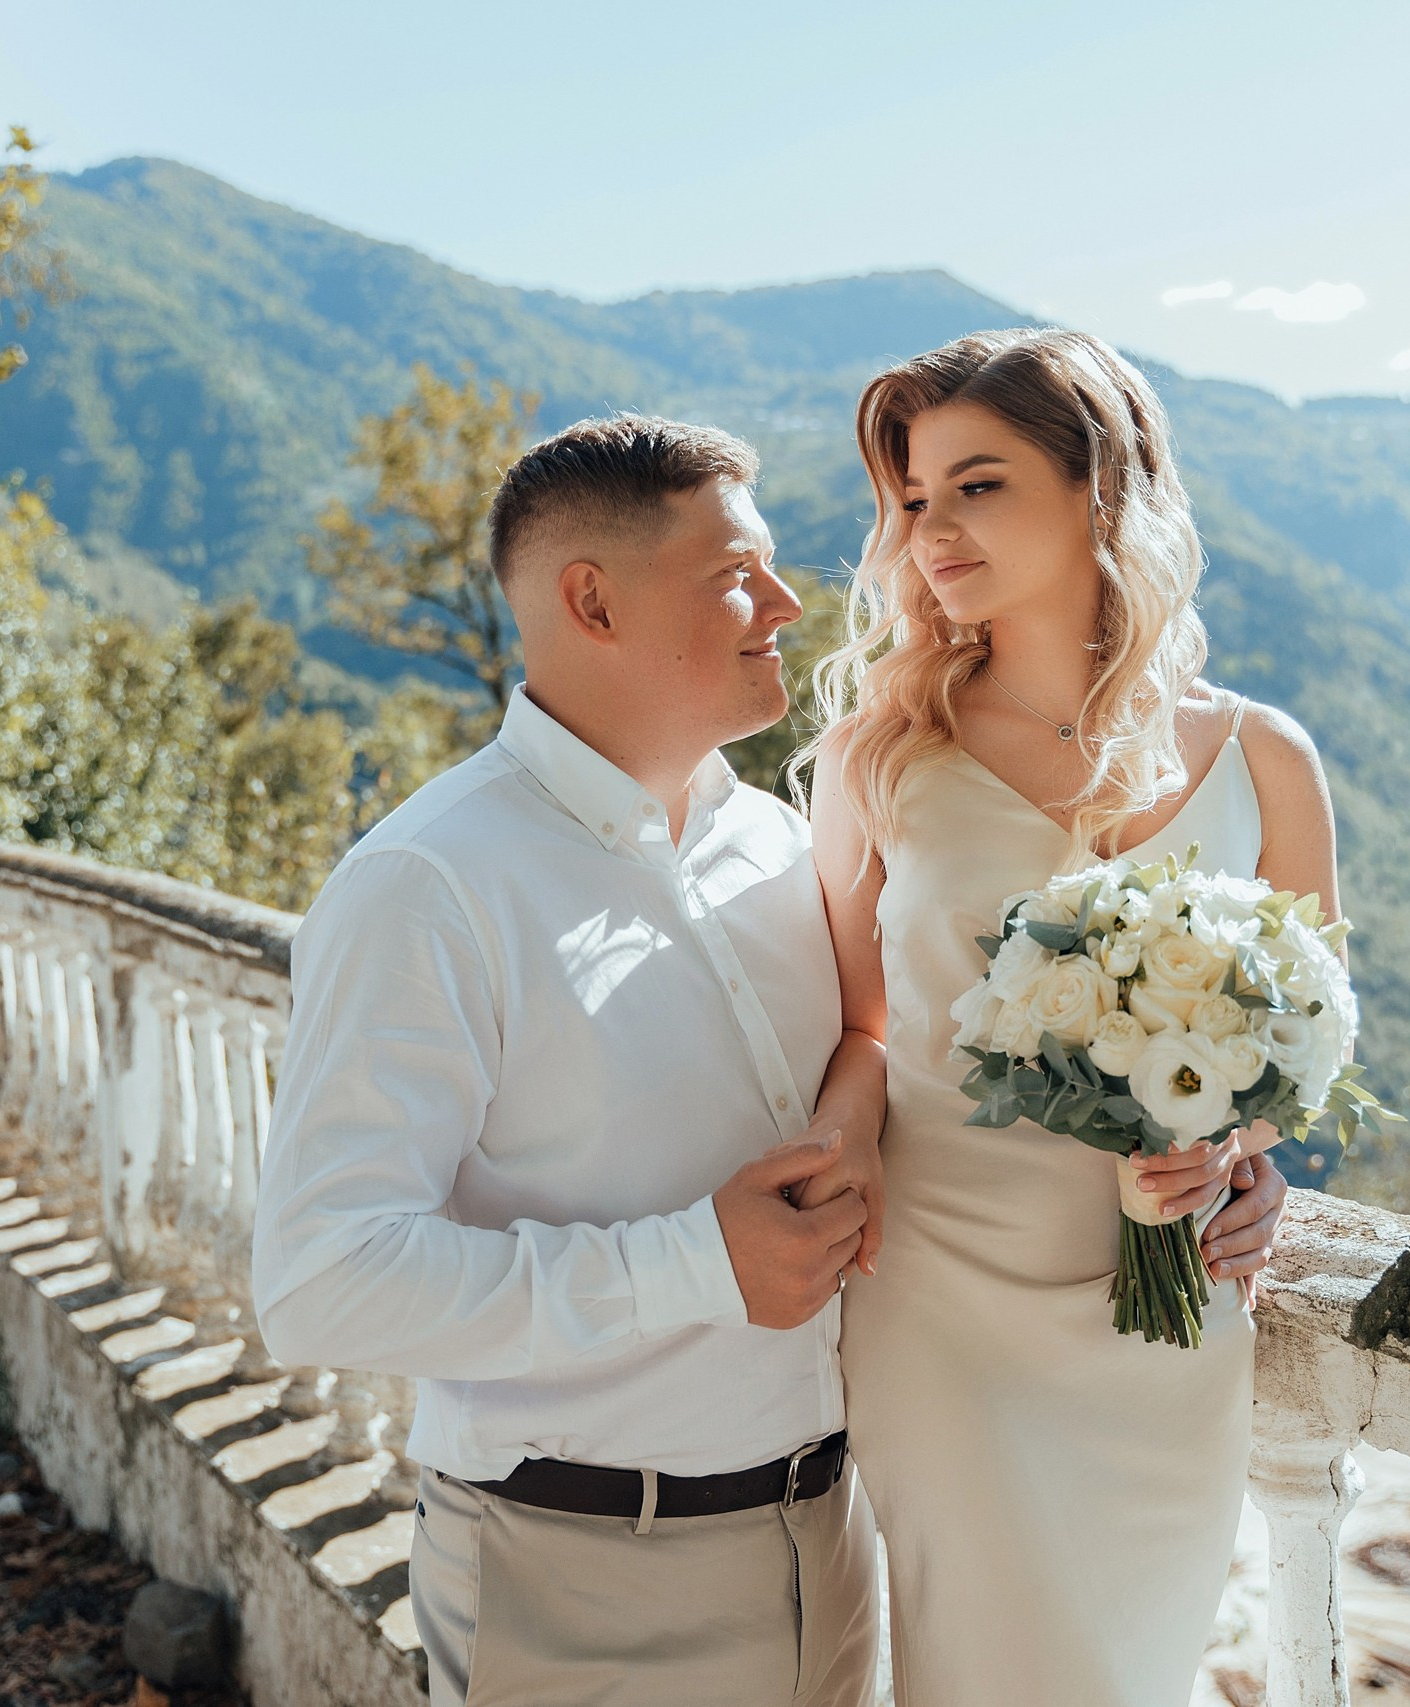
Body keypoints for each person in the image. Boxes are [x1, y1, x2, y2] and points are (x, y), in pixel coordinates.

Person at [250, 416, 884, 1707]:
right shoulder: (425, 888)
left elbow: (879, 1065)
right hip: (580, 1581)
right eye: (735, 575)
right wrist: (689, 1266)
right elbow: (320, 1281)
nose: (785, 600)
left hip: (836, 1548)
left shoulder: (781, 843)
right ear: (590, 601)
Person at [798, 328, 1318, 1706]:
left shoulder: (1263, 758)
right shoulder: (881, 757)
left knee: (1129, 1674)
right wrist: (841, 1148)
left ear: (1100, 490)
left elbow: (1304, 1039)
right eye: (912, 499)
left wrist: (1247, 1159)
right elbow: (853, 1020)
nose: (931, 530)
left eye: (978, 484)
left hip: (1174, 1313)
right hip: (941, 1301)